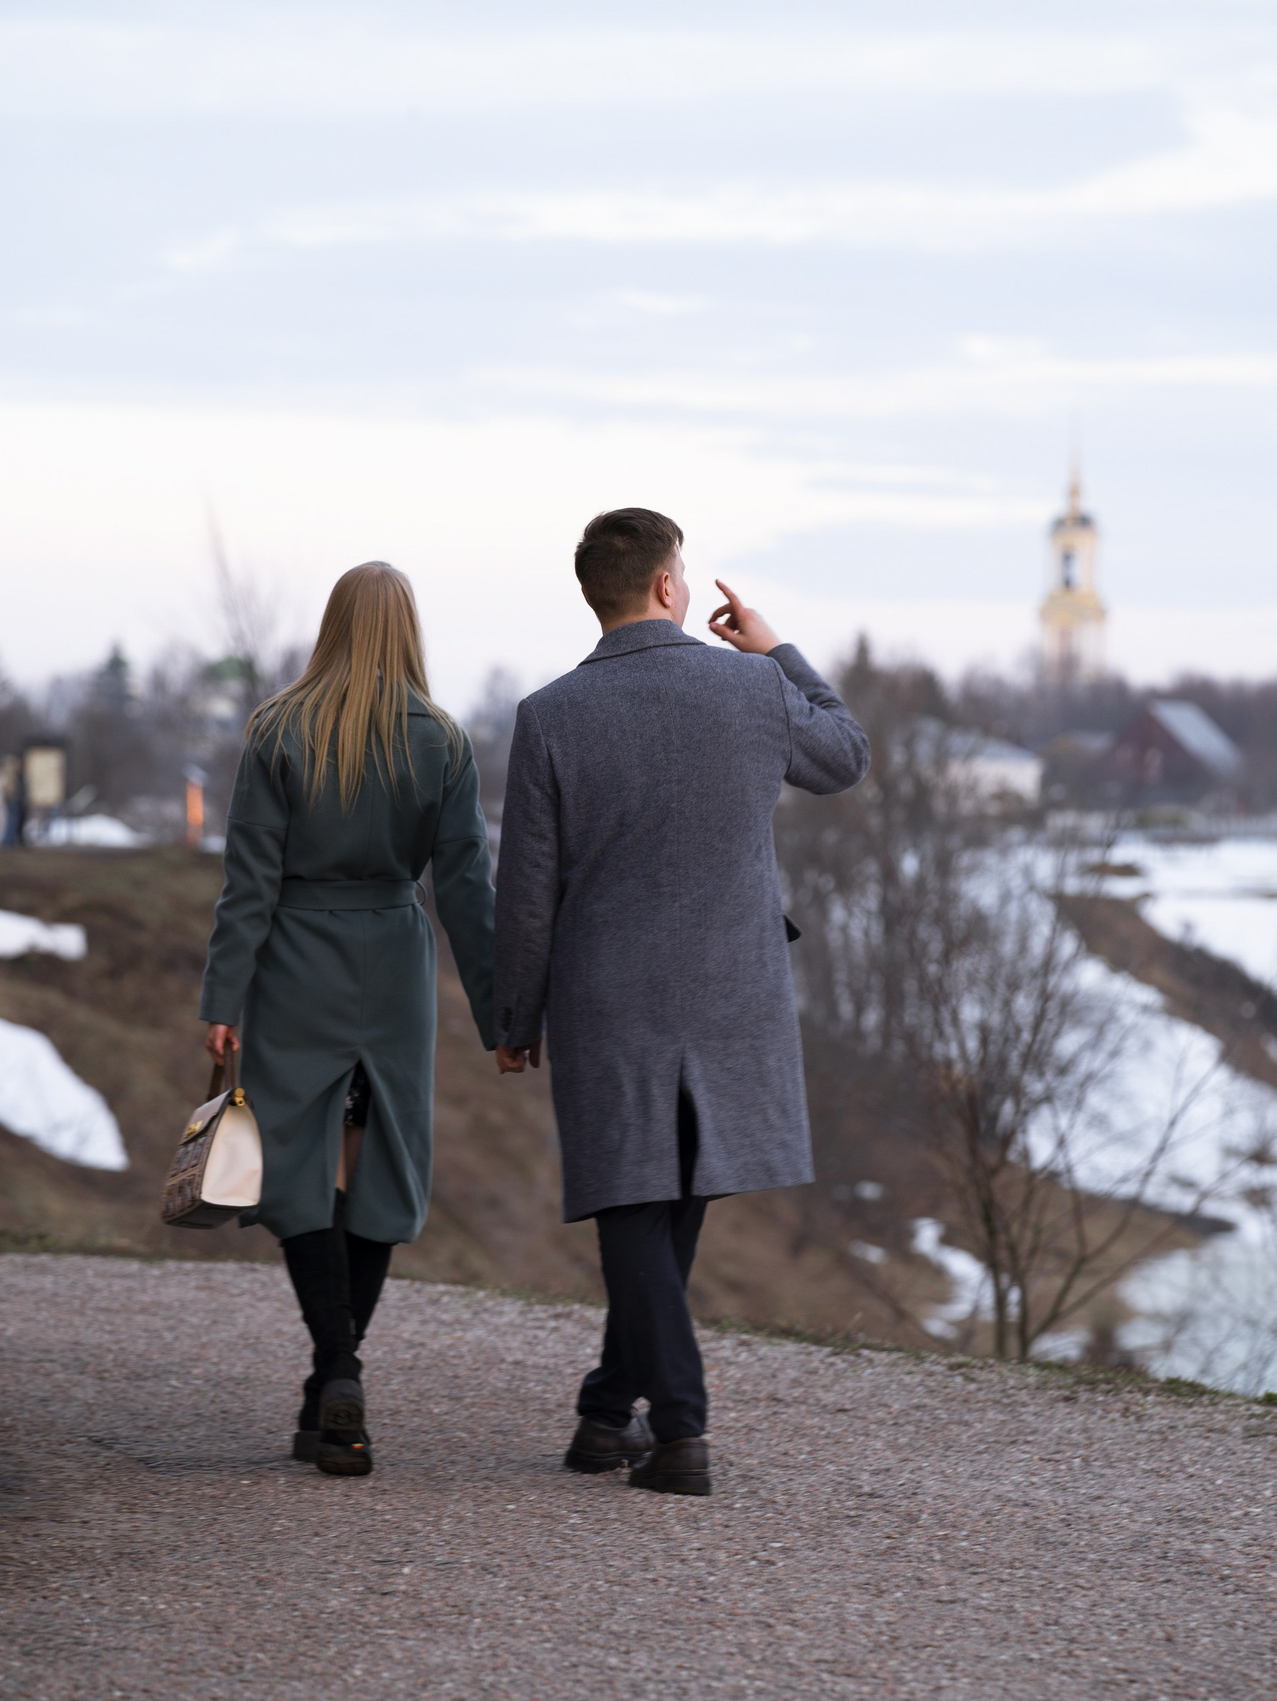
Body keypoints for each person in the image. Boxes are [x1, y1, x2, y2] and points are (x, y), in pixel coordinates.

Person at [492, 508, 868, 1496]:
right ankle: (663, 1425)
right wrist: (777, 650)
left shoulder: (548, 715)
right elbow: (844, 755)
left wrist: (514, 1017)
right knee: (662, 1205)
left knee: (638, 1206)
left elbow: (524, 889)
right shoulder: (752, 687)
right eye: (685, 574)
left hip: (607, 1002)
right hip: (732, 995)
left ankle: (630, 1416)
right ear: (668, 586)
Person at [199, 561, 496, 1478]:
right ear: (407, 629)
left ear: (331, 625)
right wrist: (501, 1012)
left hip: (297, 964)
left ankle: (336, 1371)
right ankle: (335, 1387)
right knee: (375, 1171)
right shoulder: (442, 740)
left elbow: (247, 880)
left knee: (298, 1171)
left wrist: (222, 1000)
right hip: (395, 967)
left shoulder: (277, 730)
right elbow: (467, 888)